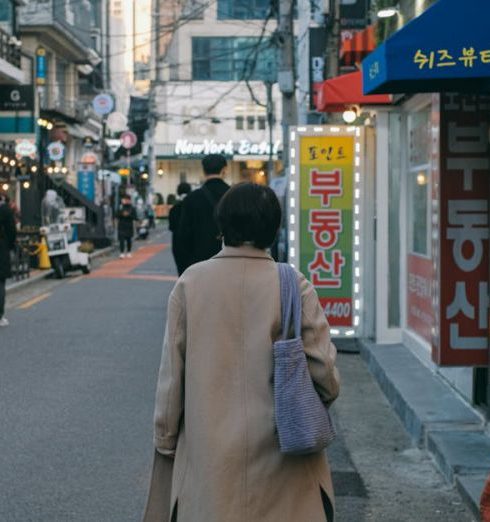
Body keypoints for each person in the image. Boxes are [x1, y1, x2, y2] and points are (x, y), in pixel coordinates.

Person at [143, 183, 340, 522]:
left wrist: (166, 437)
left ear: (222, 226)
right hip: (284, 452)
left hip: (210, 458)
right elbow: (325, 376)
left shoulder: (191, 283)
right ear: (274, 228)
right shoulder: (294, 285)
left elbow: (172, 377)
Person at [177, 153, 230, 272]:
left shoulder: (191, 199)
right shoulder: (234, 195)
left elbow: (183, 236)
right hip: (229, 261)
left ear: (204, 170)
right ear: (224, 170)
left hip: (200, 263)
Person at [168, 182, 191, 276]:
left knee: (181, 271)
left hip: (177, 242)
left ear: (178, 192)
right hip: (192, 242)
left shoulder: (174, 208)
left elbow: (171, 227)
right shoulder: (193, 206)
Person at [0, 196, 16, 327]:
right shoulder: (5, 210)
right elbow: (12, 231)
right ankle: (0, 315)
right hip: (1, 248)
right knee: (0, 283)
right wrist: (10, 246)